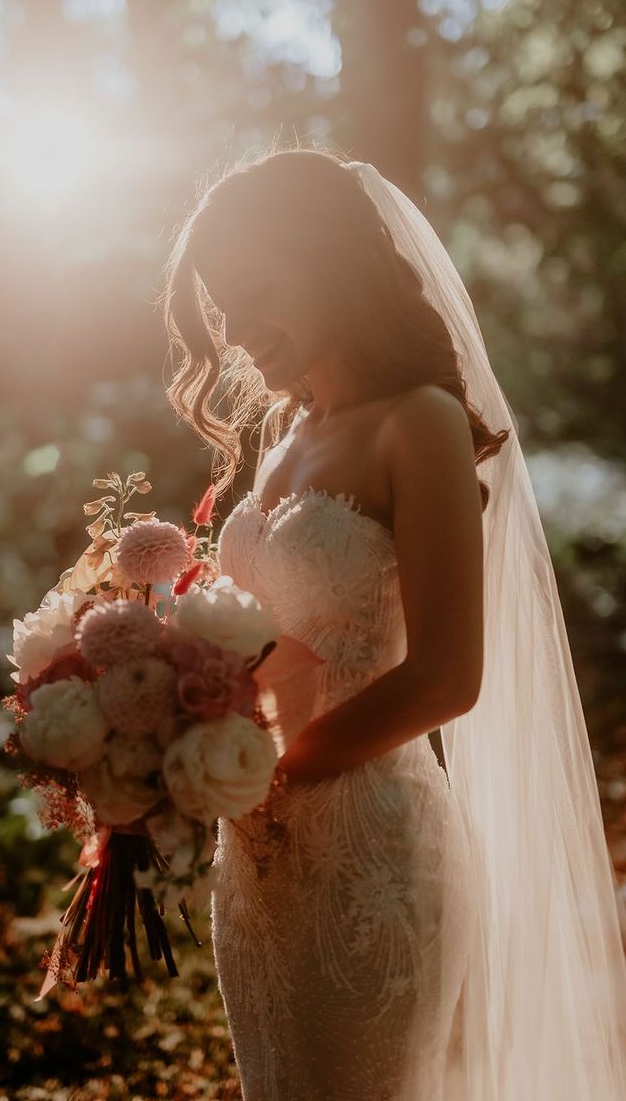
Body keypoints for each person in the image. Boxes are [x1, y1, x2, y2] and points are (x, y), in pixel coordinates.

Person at [160, 145, 626, 1100]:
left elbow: (449, 676)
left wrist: (274, 774)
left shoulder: (417, 422)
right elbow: (260, 647)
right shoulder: (282, 444)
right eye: (223, 309)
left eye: (256, 292)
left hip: (372, 850)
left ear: (330, 262)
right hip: (256, 865)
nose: (240, 331)